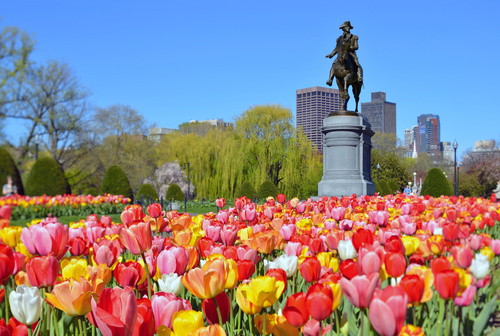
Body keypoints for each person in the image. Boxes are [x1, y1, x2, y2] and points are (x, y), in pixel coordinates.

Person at [326, 20, 363, 86]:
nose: (348, 28)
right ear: (343, 28)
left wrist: (351, 47)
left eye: (349, 27)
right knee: (334, 64)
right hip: (341, 54)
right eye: (347, 27)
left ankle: (360, 77)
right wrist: (331, 55)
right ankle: (330, 79)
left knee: (357, 63)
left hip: (351, 53)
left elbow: (357, 47)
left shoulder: (354, 37)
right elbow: (336, 48)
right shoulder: (339, 39)